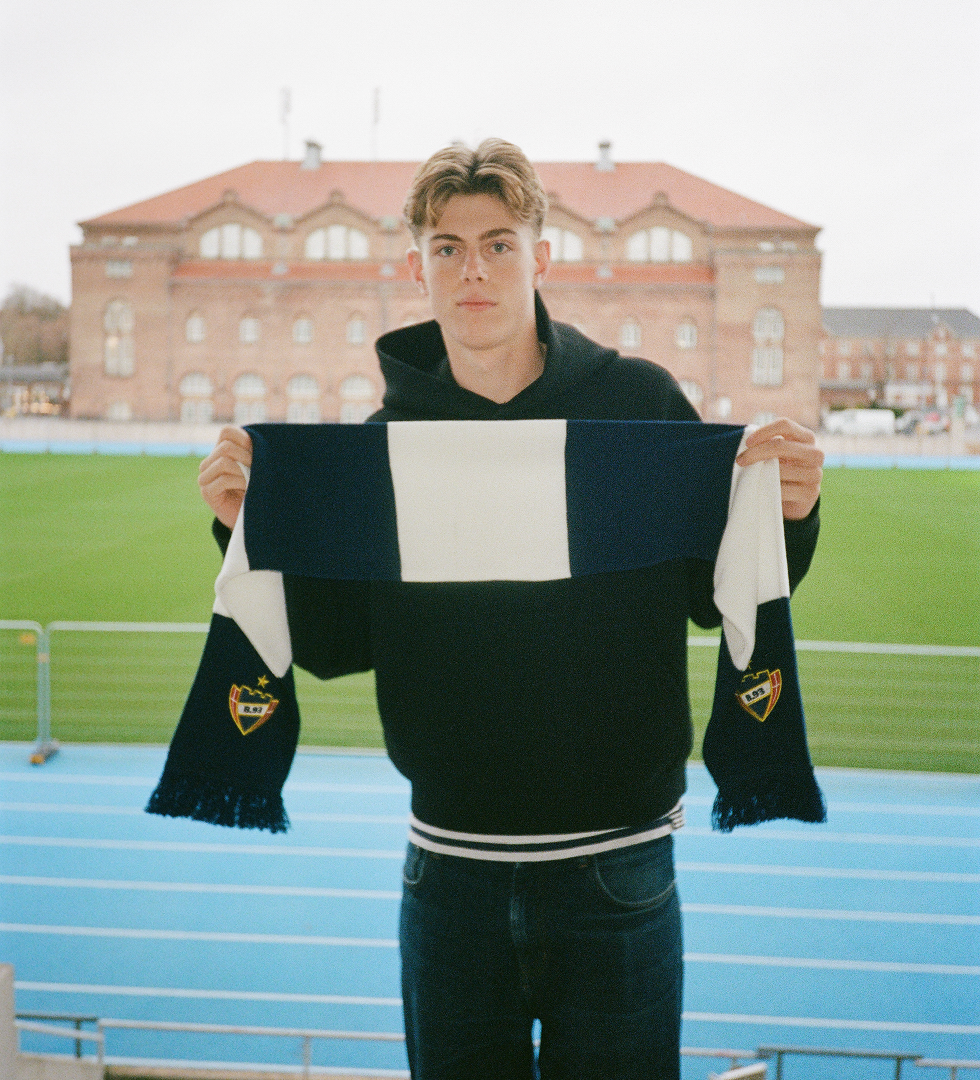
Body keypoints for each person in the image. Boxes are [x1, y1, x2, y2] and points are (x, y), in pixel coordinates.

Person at [198, 139, 823, 1080]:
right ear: (416, 269)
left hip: (618, 871)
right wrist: (244, 527)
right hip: (448, 877)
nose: (473, 270)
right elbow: (330, 643)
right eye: (447, 248)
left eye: (498, 243)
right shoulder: (384, 444)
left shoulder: (638, 403)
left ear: (542, 257)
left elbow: (713, 593)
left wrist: (792, 514)